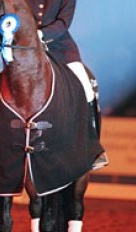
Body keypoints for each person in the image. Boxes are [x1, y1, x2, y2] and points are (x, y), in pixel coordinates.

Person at [26, 0, 109, 231]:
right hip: (26, 50)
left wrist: (41, 35)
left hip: (62, 49)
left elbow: (63, 22)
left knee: (86, 84)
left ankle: (91, 145)